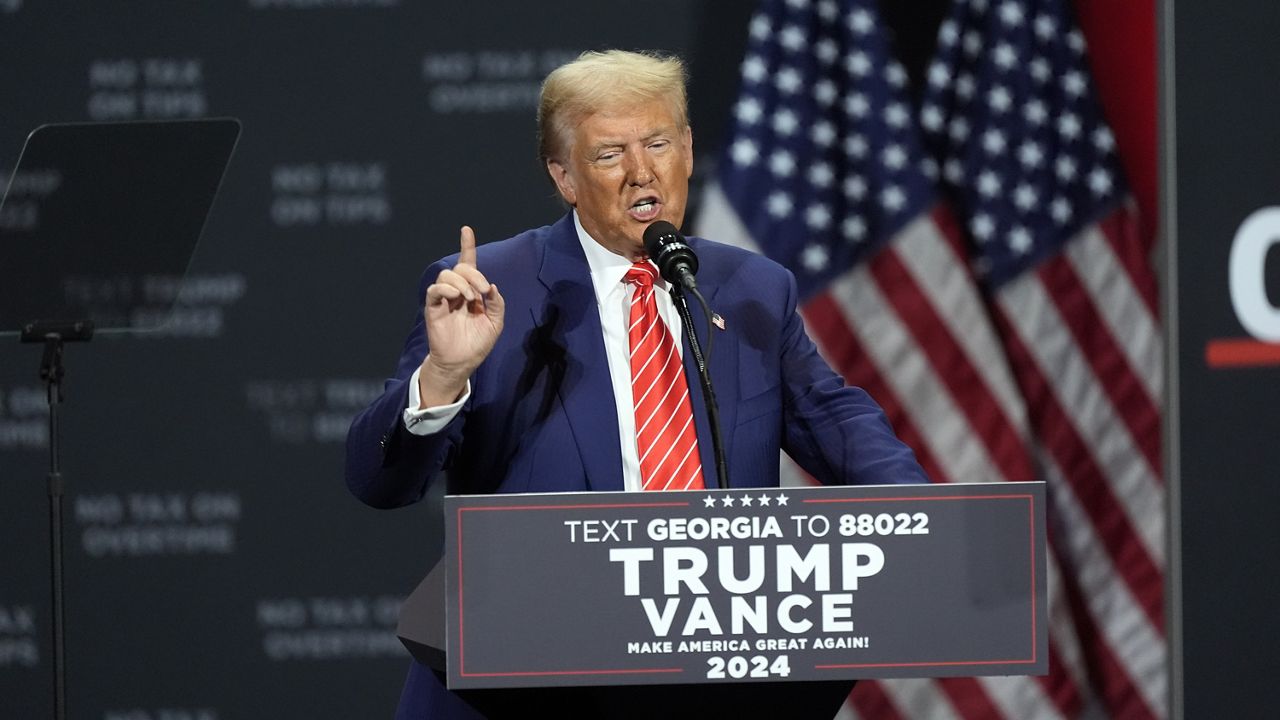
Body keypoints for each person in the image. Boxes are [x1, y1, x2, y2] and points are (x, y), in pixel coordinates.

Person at [346, 49, 928, 720]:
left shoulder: (752, 290)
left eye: (657, 143)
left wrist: (923, 527)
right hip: (520, 687)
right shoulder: (486, 291)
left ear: (685, 149)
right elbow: (378, 482)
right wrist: (444, 375)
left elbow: (838, 422)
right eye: (608, 155)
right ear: (563, 177)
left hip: (707, 679)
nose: (642, 172)